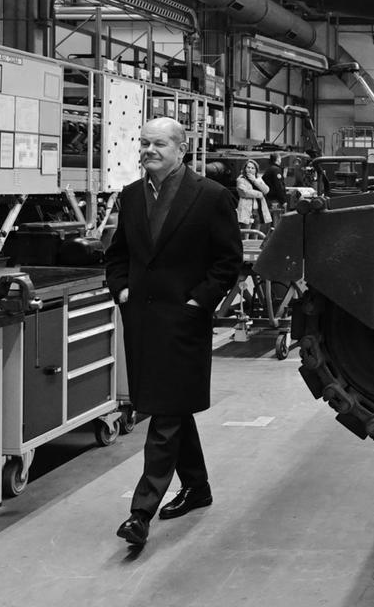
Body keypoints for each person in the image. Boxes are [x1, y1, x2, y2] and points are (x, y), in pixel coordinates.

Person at [104, 116, 241, 548]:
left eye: (159, 144)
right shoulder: (131, 195)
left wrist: (199, 301)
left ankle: (140, 513)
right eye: (144, 143)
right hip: (142, 320)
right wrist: (121, 289)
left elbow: (228, 260)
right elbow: (118, 253)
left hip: (183, 321)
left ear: (181, 149)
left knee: (165, 415)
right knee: (173, 407)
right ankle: (197, 487)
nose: (149, 150)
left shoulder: (211, 196)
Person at [236, 160, 273, 230]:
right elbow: (245, 192)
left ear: (256, 170)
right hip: (247, 210)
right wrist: (260, 194)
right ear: (245, 169)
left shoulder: (258, 179)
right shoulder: (241, 179)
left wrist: (255, 181)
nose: (250, 169)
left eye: (252, 168)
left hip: (258, 210)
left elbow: (266, 190)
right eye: (248, 167)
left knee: (256, 233)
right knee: (246, 233)